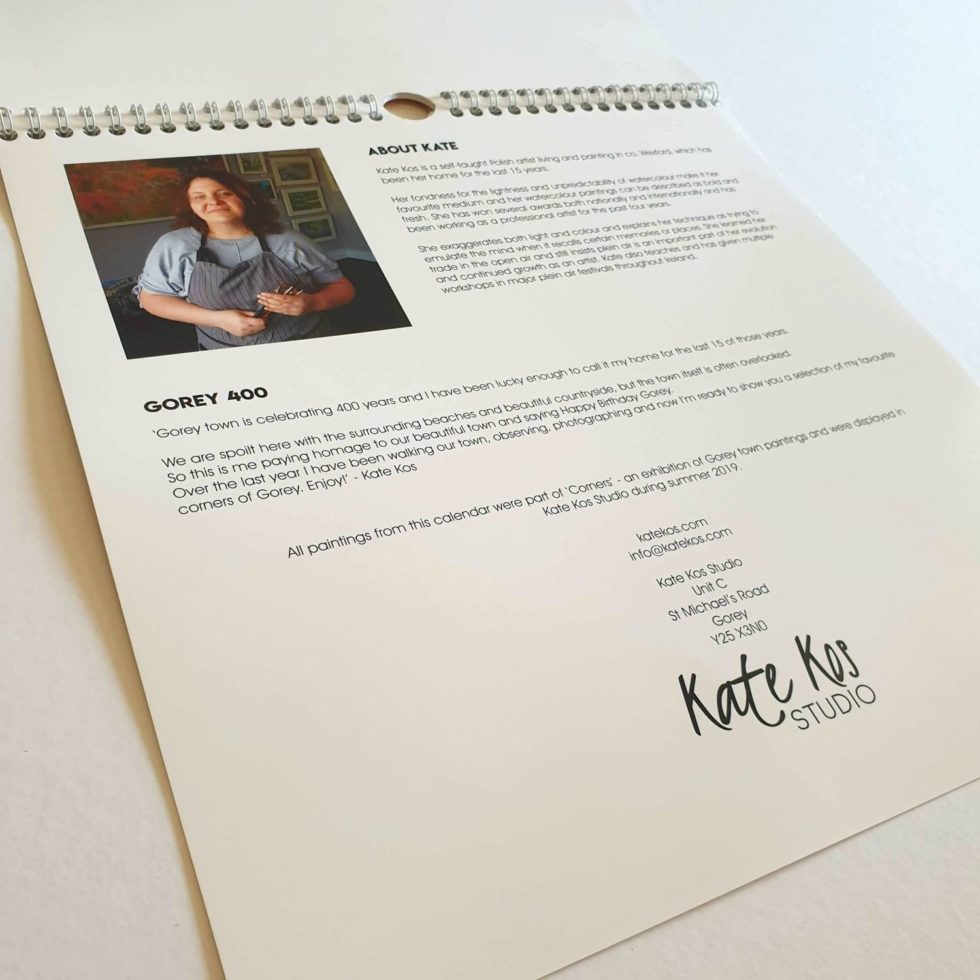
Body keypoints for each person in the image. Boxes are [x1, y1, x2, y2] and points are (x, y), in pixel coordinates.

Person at [137, 169, 355, 349]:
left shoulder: (289, 241)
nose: (213, 201)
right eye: (199, 197)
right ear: (191, 207)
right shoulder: (174, 245)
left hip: (309, 343)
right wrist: (217, 319)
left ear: (246, 198)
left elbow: (343, 288)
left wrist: (314, 303)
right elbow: (151, 299)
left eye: (224, 193)